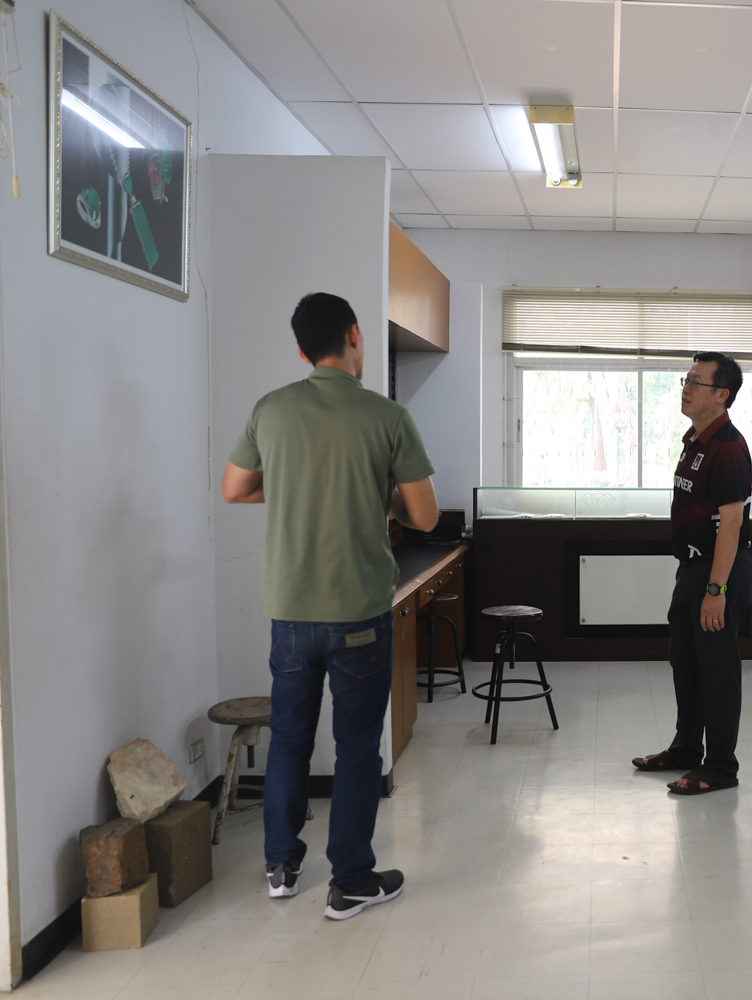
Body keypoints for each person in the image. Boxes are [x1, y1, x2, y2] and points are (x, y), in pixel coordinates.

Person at [222, 292, 439, 920]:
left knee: (289, 740)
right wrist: (374, 494)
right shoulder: (388, 416)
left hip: (290, 613)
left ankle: (281, 867)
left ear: (301, 351)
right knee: (356, 748)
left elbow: (235, 488)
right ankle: (351, 881)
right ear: (354, 337)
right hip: (358, 614)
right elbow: (425, 515)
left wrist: (298, 487)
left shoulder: (271, 409)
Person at [631, 351, 752, 794]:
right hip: (692, 568)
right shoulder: (696, 440)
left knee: (717, 672)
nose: (686, 388)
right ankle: (686, 749)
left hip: (715, 574)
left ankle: (720, 767)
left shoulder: (729, 448)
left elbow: (733, 522)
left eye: (696, 382)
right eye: (686, 380)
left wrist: (717, 589)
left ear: (722, 395)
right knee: (685, 663)